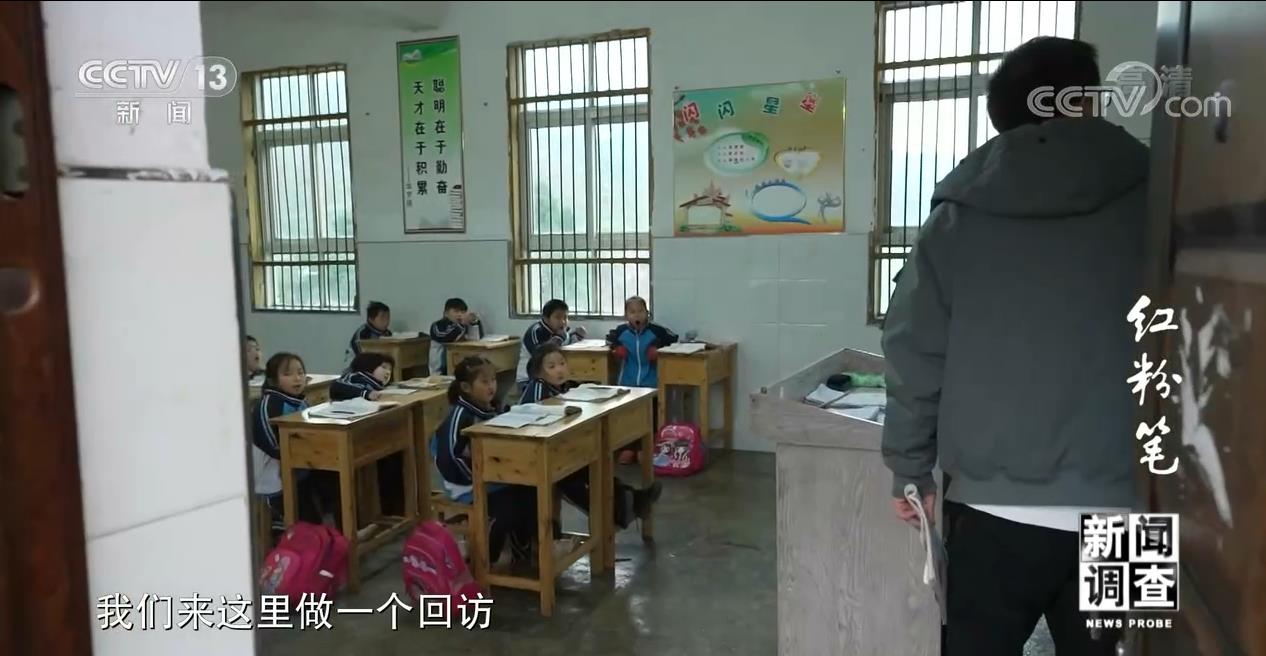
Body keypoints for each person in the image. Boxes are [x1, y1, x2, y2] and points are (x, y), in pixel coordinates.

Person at [881, 37, 1145, 655]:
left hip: (990, 509)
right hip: (1131, 504)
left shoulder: (958, 216)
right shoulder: (1166, 196)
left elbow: (915, 351)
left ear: (1002, 117)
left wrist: (909, 470)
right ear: (1089, 101)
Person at [517, 343, 662, 527]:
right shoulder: (538, 386)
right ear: (538, 372)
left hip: (557, 449)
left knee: (593, 464)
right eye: (551, 367)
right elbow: (536, 416)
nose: (559, 370)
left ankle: (627, 502)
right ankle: (615, 511)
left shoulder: (563, 387)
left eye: (562, 363)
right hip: (534, 454)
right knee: (571, 476)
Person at [434, 356, 536, 564]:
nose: (492, 386)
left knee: (532, 491)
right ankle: (484, 559)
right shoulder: (460, 415)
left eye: (493, 380)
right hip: (467, 484)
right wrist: (480, 478)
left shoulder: (489, 407)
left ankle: (524, 549)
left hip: (494, 476)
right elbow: (449, 458)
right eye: (484, 382)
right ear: (466, 387)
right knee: (508, 509)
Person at [250, 352, 330, 526]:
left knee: (331, 480)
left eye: (300, 373)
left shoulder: (299, 401)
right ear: (273, 380)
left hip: (299, 467)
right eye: (288, 374)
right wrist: (306, 456)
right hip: (273, 474)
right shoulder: (268, 405)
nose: (297, 378)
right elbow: (272, 445)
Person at [605, 296, 678, 463]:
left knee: (649, 416)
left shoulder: (657, 330)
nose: (637, 315)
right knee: (628, 417)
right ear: (626, 315)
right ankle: (628, 448)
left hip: (651, 383)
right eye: (632, 312)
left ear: (647, 313)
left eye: (640, 311)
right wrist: (617, 348)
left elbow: (674, 339)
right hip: (628, 383)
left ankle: (645, 448)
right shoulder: (621, 331)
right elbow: (608, 339)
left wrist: (659, 349)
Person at [517, 299, 585, 387]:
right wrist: (558, 339)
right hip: (529, 380)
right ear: (546, 318)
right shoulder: (536, 331)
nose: (563, 321)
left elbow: (569, 343)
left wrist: (577, 336)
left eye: (565, 317)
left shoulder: (562, 330)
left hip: (552, 377)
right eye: (558, 317)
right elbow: (541, 358)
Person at [429, 297, 484, 375]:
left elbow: (476, 337)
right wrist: (461, 325)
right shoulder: (437, 325)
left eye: (463, 312)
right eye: (456, 311)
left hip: (458, 364)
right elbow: (446, 337)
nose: (459, 315)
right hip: (439, 369)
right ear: (446, 313)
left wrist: (474, 322)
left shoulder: (462, 325)